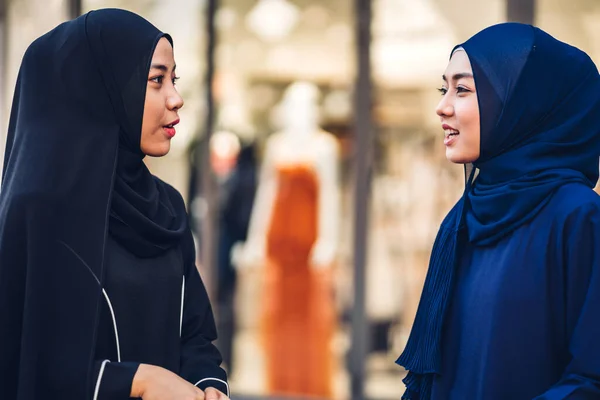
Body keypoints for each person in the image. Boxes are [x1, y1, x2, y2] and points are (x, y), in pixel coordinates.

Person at [0, 9, 229, 400]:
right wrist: (138, 381)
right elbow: (27, 367)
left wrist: (208, 384)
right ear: (99, 90)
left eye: (173, 79)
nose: (176, 98)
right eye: (156, 80)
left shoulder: (166, 207)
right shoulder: (40, 214)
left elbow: (196, 336)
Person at [396, 23, 600, 399]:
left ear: (523, 105)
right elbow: (430, 374)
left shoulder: (578, 217)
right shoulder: (462, 217)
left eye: (463, 89)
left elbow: (592, 377)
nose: (442, 107)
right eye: (445, 89)